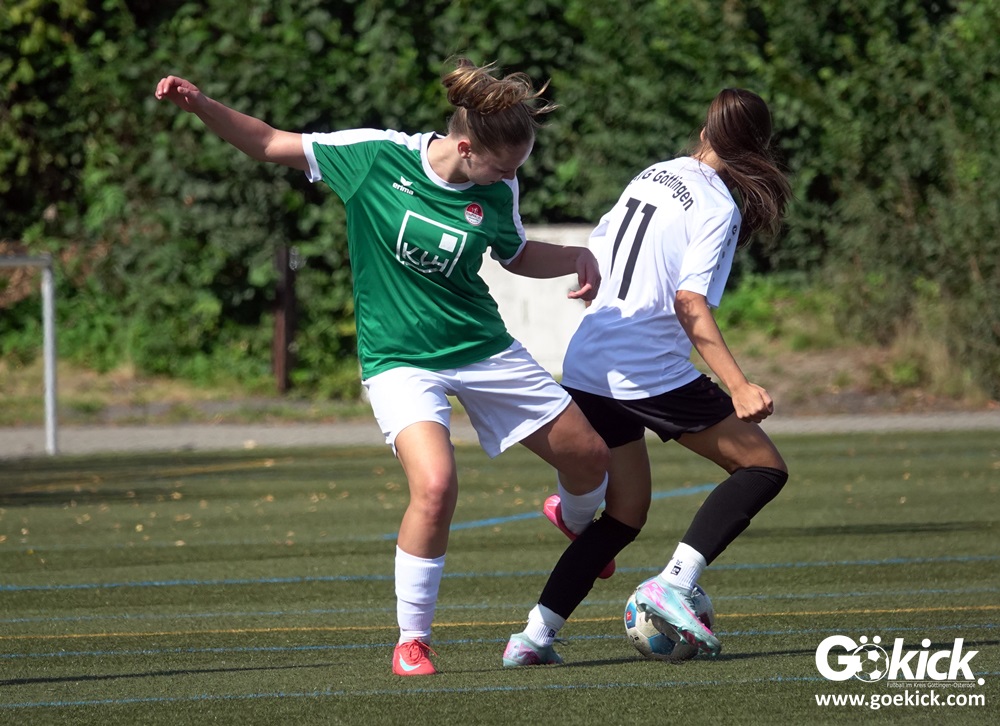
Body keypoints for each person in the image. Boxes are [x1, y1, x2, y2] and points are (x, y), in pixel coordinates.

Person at [154, 58, 611, 676]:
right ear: (466, 147)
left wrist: (576, 256)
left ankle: (575, 521)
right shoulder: (374, 157)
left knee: (589, 457)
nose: (511, 178)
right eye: (504, 167)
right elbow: (267, 143)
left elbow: (515, 252)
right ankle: (412, 640)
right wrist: (202, 103)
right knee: (435, 485)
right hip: (399, 361)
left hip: (480, 345)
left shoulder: (497, 188)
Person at [503, 88, 792, 666]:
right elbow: (689, 302)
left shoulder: (652, 174)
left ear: (705, 131)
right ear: (756, 148)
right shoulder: (717, 205)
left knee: (625, 514)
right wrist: (738, 385)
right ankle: (675, 583)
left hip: (591, 359)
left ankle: (533, 636)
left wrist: (596, 284)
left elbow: (600, 249)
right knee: (763, 467)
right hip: (647, 370)